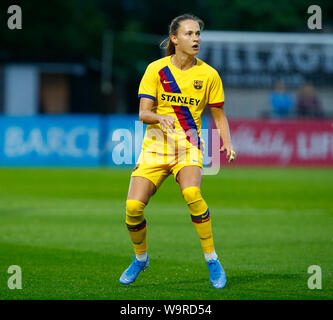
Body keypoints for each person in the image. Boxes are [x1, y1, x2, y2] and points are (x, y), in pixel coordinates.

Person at [119, 14, 236, 289]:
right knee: (133, 208)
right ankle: (140, 258)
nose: (196, 38)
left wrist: (227, 142)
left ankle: (212, 261)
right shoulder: (155, 70)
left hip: (189, 146)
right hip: (156, 147)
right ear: (174, 39)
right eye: (189, 34)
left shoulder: (208, 74)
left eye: (197, 34)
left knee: (192, 193)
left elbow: (218, 114)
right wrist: (159, 118)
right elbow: (143, 113)